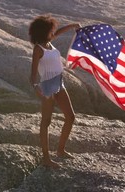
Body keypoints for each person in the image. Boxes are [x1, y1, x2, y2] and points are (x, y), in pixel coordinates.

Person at [29, 14, 80, 168]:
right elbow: (32, 76)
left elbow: (60, 32)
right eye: (51, 29)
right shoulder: (38, 49)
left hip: (59, 82)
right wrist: (37, 88)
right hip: (47, 86)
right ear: (44, 32)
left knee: (70, 117)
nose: (54, 32)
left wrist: (73, 25)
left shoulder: (50, 43)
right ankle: (46, 158)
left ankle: (60, 150)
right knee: (46, 122)